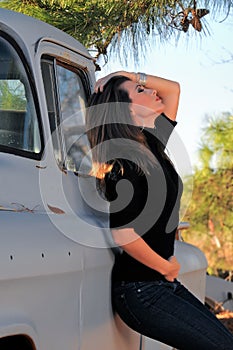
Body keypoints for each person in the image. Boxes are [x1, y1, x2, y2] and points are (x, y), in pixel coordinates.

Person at [86, 71, 233, 350]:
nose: (151, 91)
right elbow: (123, 235)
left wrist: (127, 75)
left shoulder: (151, 144)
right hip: (140, 291)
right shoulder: (124, 164)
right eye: (140, 91)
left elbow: (173, 90)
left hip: (160, 284)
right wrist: (165, 266)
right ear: (127, 111)